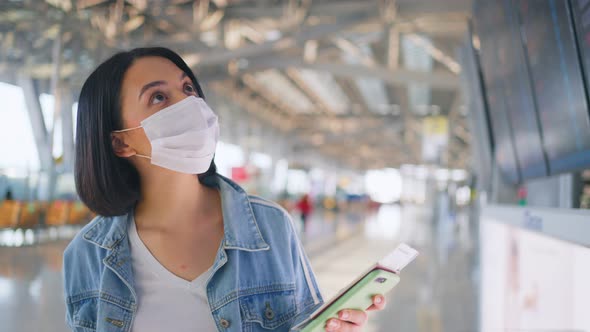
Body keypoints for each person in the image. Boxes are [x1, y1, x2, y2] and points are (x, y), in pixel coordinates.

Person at [62, 47, 386, 332]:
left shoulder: (270, 227)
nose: (189, 104)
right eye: (158, 97)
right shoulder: (88, 255)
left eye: (188, 88)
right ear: (121, 142)